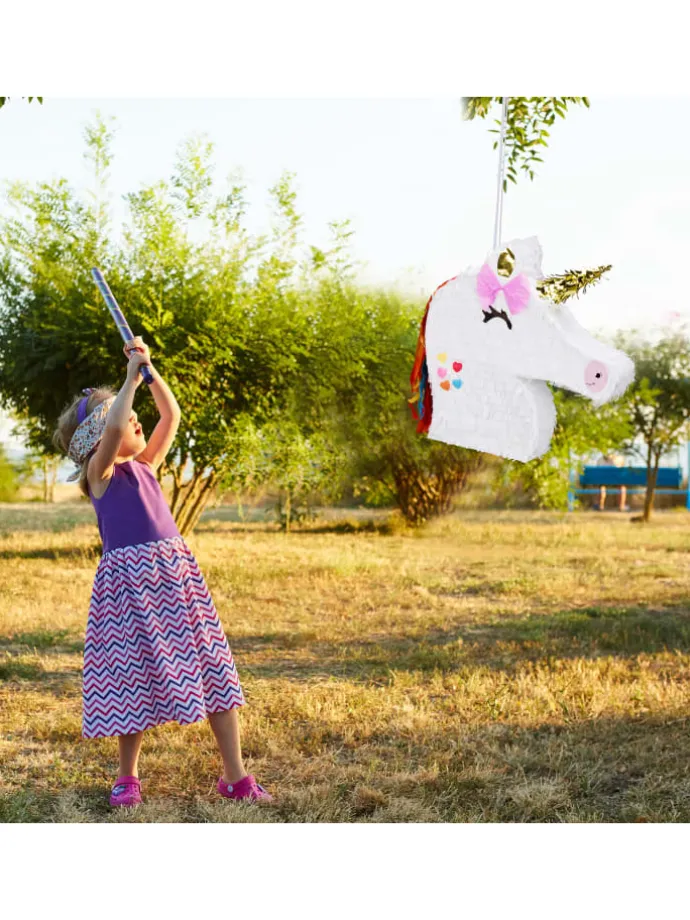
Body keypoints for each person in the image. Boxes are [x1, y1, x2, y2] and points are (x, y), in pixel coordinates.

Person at [53, 336, 271, 807]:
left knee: (214, 669)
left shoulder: (147, 466)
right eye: (125, 416)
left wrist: (149, 372)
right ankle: (127, 777)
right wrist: (129, 380)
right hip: (129, 593)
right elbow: (115, 429)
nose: (135, 419)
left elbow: (171, 415)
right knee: (132, 681)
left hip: (175, 583)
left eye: (133, 412)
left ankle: (235, 777)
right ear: (97, 441)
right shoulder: (101, 476)